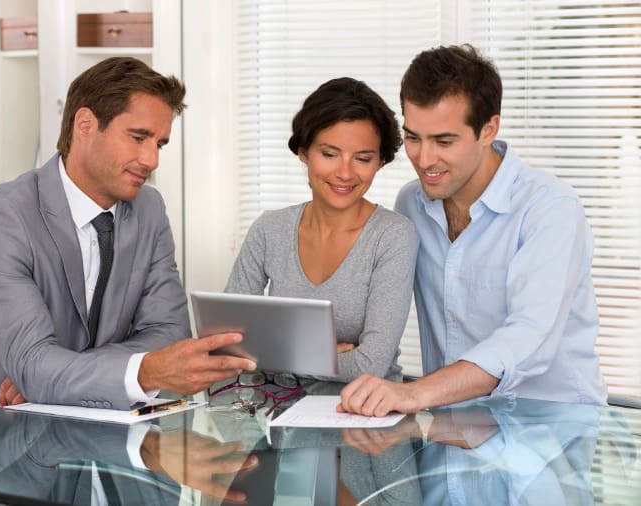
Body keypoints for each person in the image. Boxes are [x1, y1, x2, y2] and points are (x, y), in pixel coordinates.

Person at [0, 56, 256, 424]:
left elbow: (168, 335)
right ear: (85, 124)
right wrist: (139, 371)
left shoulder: (149, 211)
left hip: (76, 429)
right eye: (139, 137)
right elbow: (33, 363)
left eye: (160, 143)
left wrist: (55, 375)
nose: (152, 159)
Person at [339, 44, 607, 417]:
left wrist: (414, 394)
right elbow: (380, 296)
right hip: (452, 427)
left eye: (444, 141)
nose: (424, 159)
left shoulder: (549, 209)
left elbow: (528, 335)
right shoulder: (411, 205)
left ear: (488, 129)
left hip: (548, 434)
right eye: (414, 138)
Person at [225, 77, 419, 383]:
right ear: (304, 151)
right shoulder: (269, 230)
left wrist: (275, 356)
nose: (344, 173)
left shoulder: (393, 236)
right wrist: (318, 356)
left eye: (363, 159)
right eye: (329, 154)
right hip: (277, 412)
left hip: (366, 414)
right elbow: (229, 342)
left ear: (380, 162)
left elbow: (370, 364)